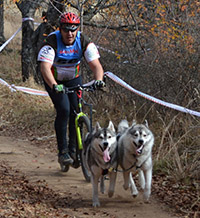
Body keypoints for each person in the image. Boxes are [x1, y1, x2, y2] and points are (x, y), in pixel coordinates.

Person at [37, 12, 105, 167]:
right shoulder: (51, 41)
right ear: (60, 29)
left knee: (76, 112)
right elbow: (45, 67)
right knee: (64, 110)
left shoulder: (83, 41)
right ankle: (63, 152)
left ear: (77, 29)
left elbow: (96, 65)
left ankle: (75, 150)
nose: (70, 33)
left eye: (73, 29)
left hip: (73, 79)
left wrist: (99, 80)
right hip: (54, 80)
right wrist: (54, 85)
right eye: (66, 29)